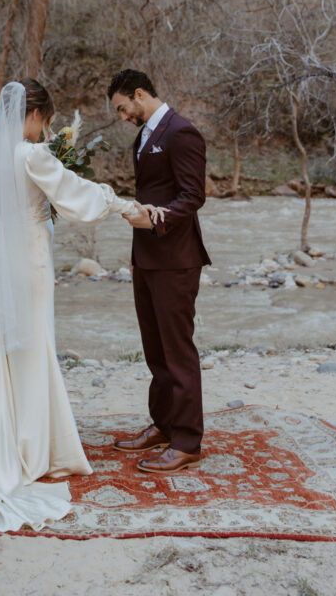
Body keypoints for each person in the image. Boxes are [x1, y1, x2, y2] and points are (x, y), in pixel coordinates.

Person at [0, 78, 139, 532]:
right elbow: (74, 193)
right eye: (45, 120)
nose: (46, 128)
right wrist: (123, 204)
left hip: (5, 264)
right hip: (30, 262)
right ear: (34, 115)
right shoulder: (31, 155)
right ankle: (29, 448)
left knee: (8, 343)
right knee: (34, 344)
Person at [108, 68, 211, 473]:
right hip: (147, 259)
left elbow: (193, 196)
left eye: (122, 108)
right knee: (155, 351)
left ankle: (187, 442)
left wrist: (156, 221)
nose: (121, 117)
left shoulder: (181, 132)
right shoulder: (145, 136)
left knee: (177, 351)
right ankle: (164, 425)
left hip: (176, 259)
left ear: (138, 94)